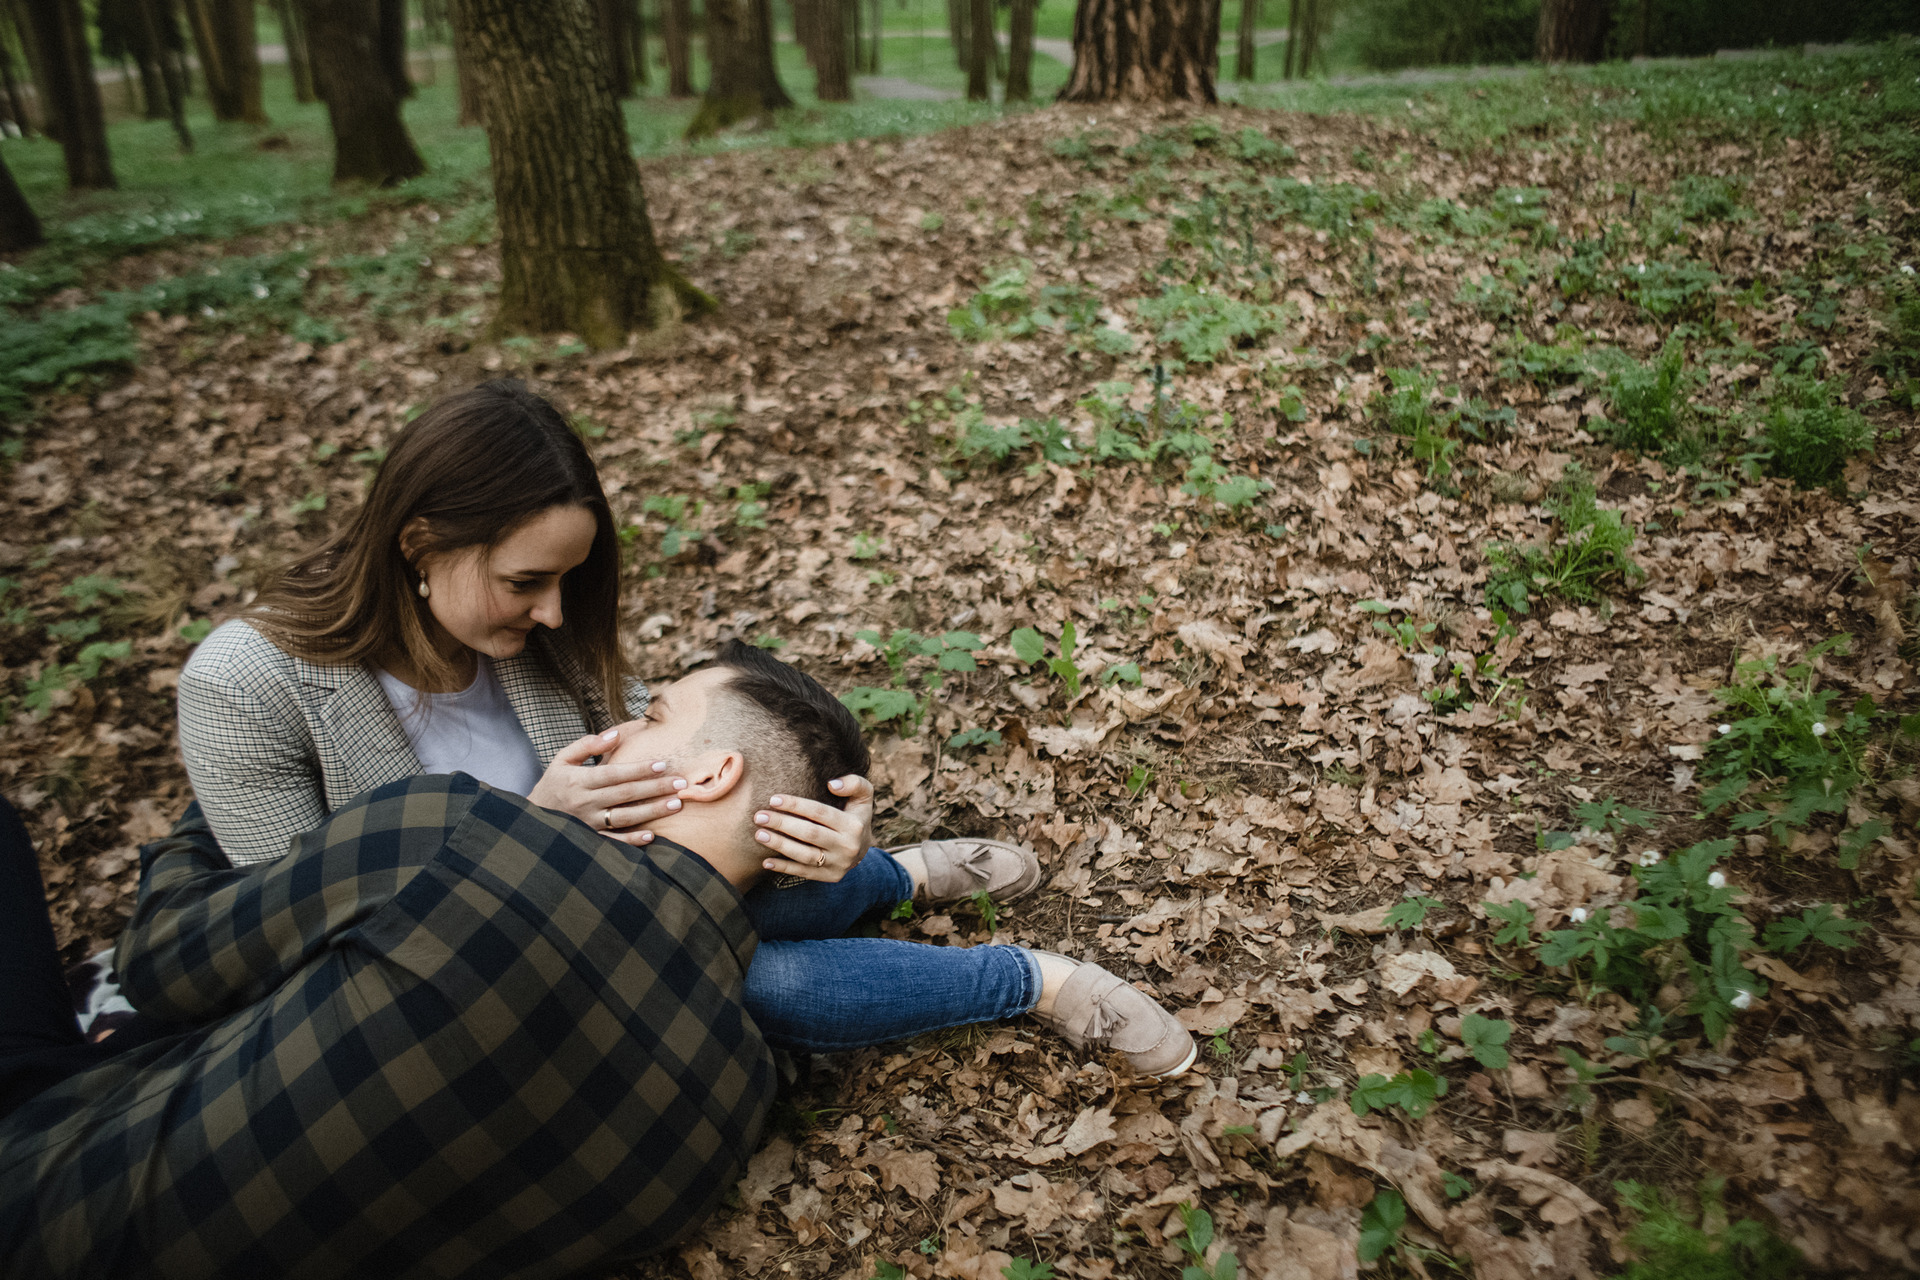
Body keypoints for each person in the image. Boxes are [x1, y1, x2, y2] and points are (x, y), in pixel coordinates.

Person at [146, 380, 1194, 1076]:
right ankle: (1028, 981)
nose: (557, 613)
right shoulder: (251, 681)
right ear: (421, 541)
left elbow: (685, 755)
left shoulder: (536, 638)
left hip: (617, 899)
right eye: (527, 581)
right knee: (742, 975)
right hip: (451, 982)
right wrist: (523, 826)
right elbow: (295, 935)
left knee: (755, 875)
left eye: (569, 580)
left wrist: (817, 828)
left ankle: (892, 877)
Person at [0, 777, 774, 1279]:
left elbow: (161, 964)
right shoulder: (737, 1098)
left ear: (710, 775)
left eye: (652, 716)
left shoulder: (466, 828)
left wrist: (203, 814)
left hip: (47, 1194)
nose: (622, 724)